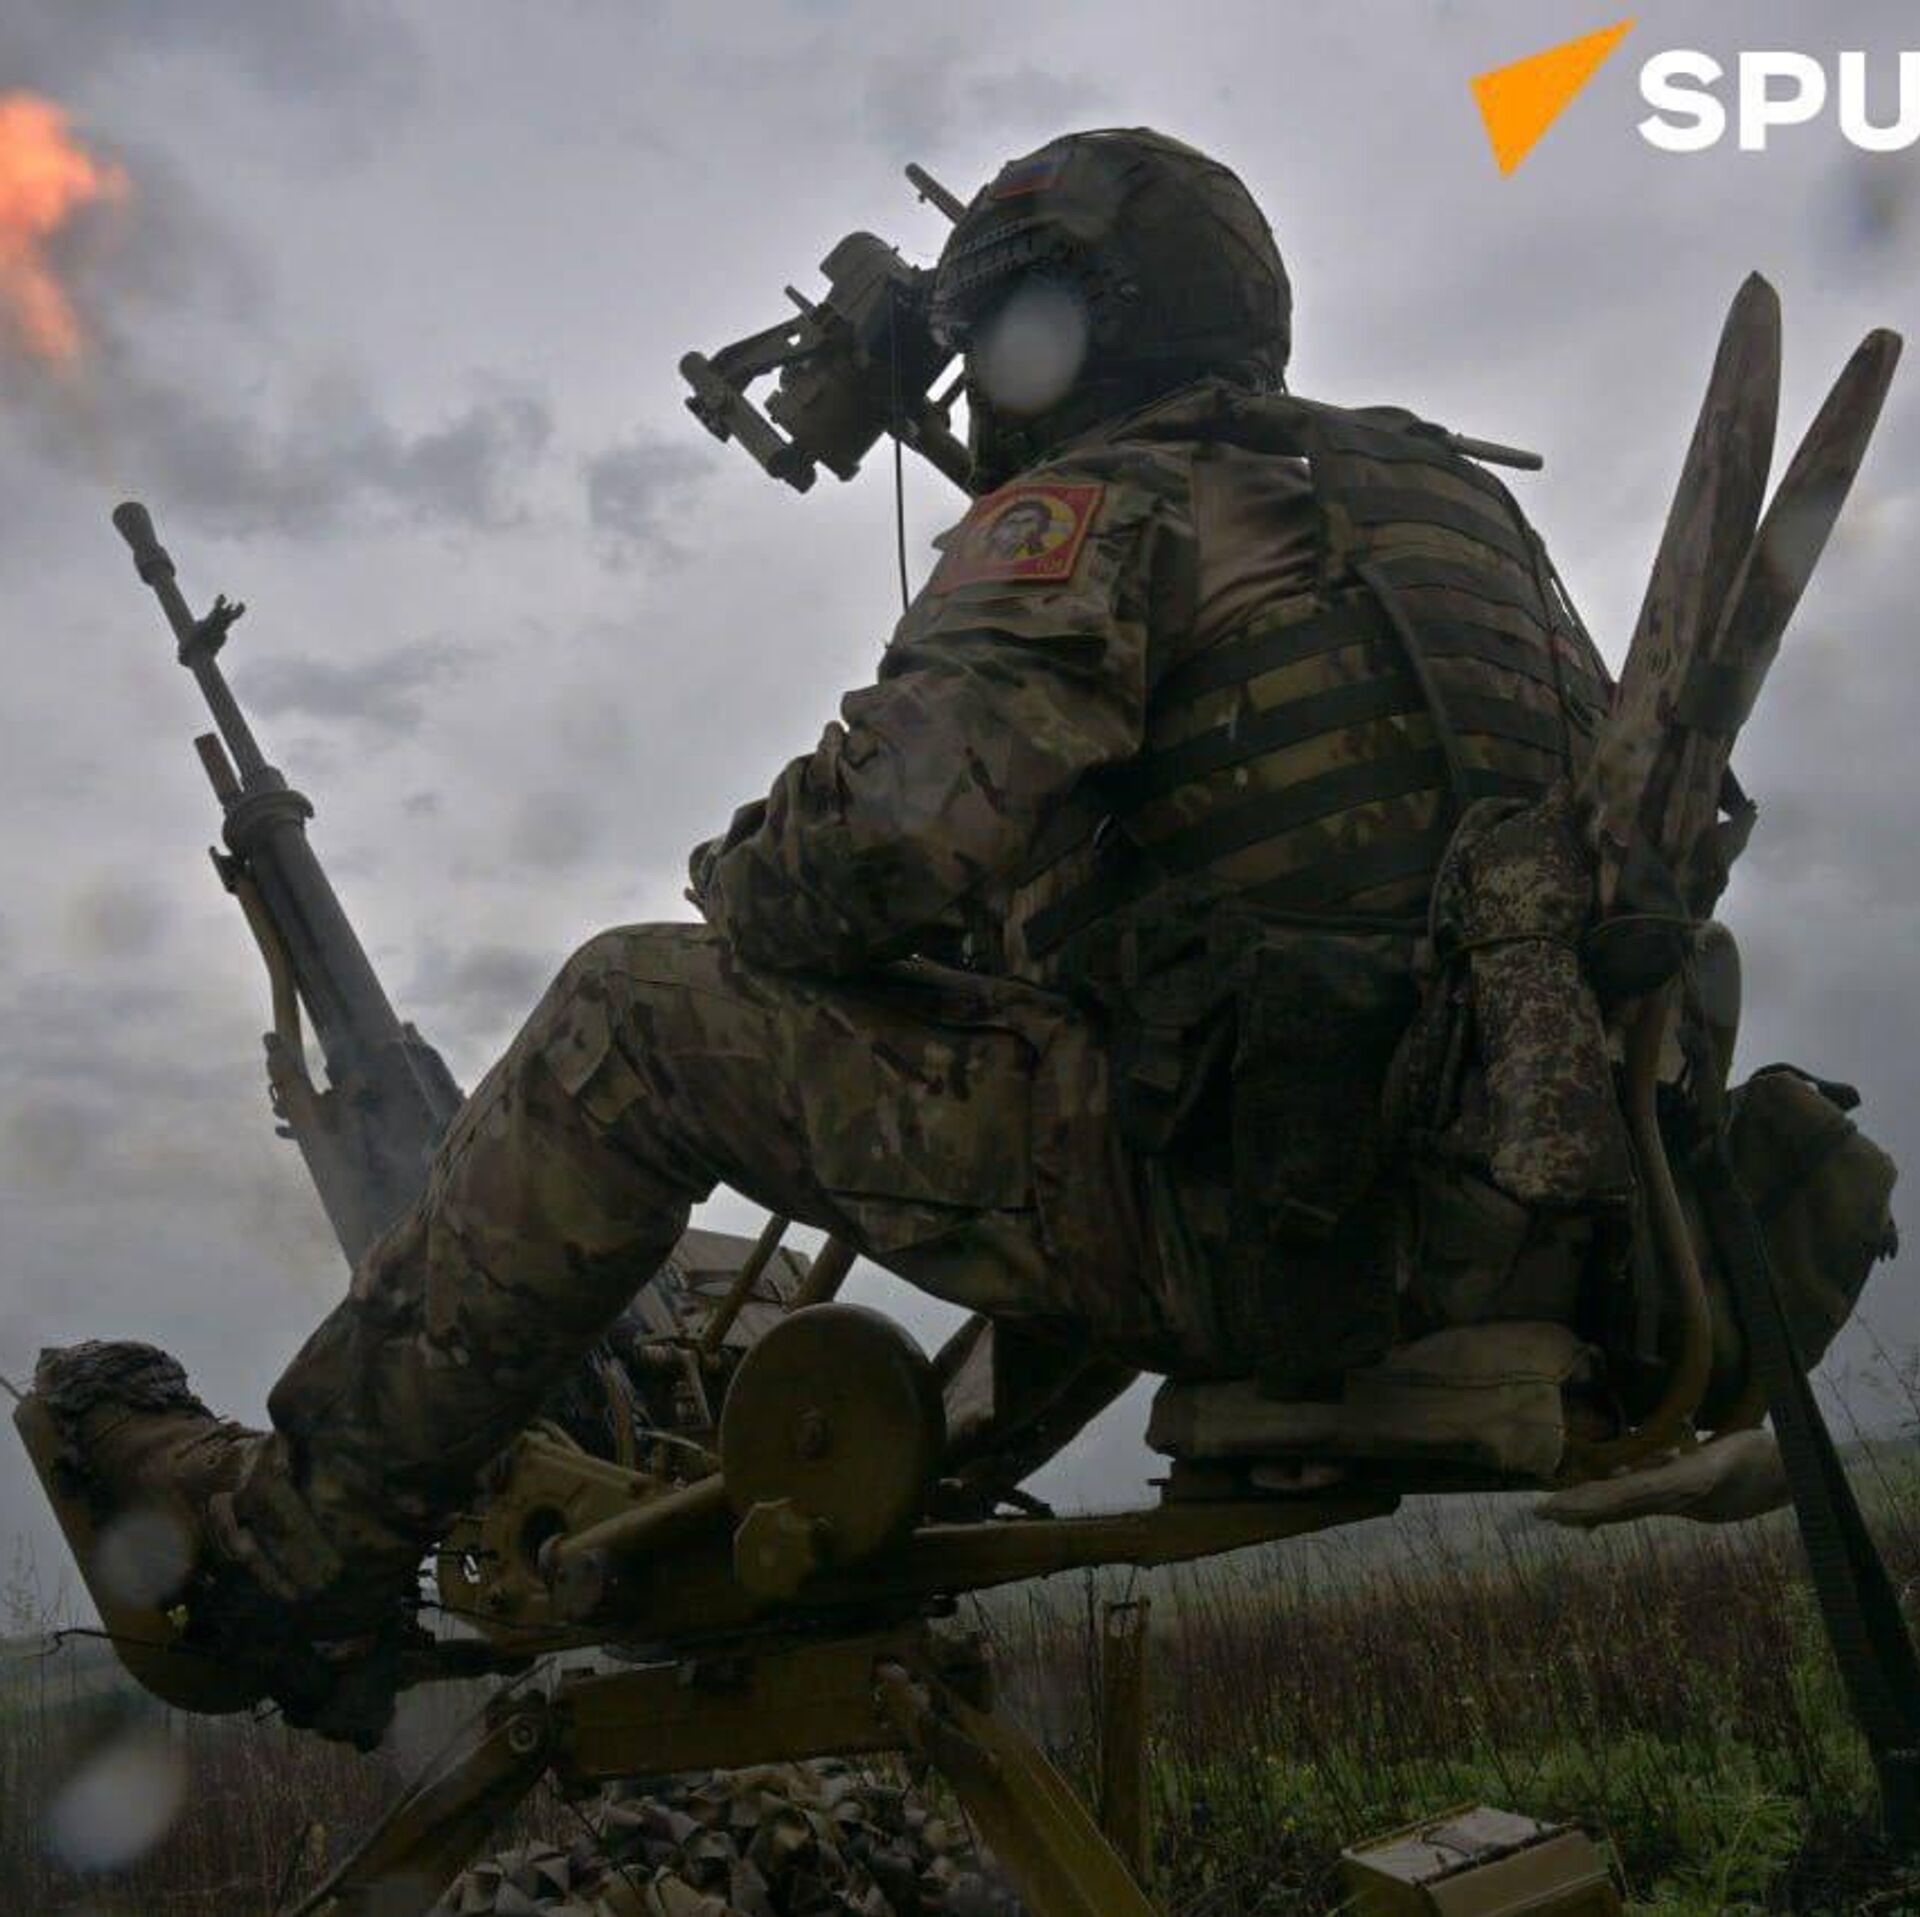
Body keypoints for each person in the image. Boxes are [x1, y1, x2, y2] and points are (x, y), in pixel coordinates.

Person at [35, 128, 1613, 1738]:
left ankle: (286, 1562)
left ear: (1067, 328)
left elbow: (869, 855)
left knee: (628, 1018)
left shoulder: (1114, 504)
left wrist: (741, 872)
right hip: (1514, 1219)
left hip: (1276, 1225)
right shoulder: (1448, 515)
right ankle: (868, 1475)